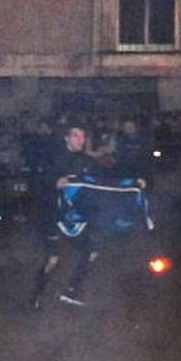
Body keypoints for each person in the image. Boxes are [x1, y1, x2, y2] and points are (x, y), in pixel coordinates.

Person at [28, 125, 148, 309]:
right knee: (53, 258)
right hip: (52, 215)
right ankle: (35, 297)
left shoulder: (86, 161)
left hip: (77, 218)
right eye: (76, 136)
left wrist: (133, 182)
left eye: (83, 136)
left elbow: (107, 178)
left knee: (91, 251)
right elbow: (38, 183)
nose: (80, 140)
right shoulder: (53, 159)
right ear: (67, 138)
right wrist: (54, 183)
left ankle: (72, 291)